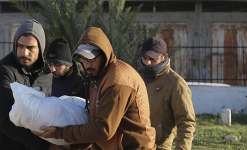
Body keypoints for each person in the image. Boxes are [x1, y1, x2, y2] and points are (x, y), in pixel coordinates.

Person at [37, 27, 156, 149]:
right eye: (83, 59)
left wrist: (60, 133)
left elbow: (103, 130)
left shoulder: (117, 82)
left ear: (103, 54)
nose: (88, 65)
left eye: (91, 59)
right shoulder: (97, 77)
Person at [0, 19, 53, 150]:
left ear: (40, 48)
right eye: (20, 46)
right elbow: (5, 117)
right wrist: (37, 143)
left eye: (30, 48)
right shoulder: (5, 70)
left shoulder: (48, 73)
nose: (24, 53)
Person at [138, 37, 196, 150]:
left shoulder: (176, 84)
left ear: (163, 57)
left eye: (152, 58)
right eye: (145, 58)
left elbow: (186, 121)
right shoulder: (137, 78)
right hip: (136, 144)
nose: (148, 62)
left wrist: (182, 148)